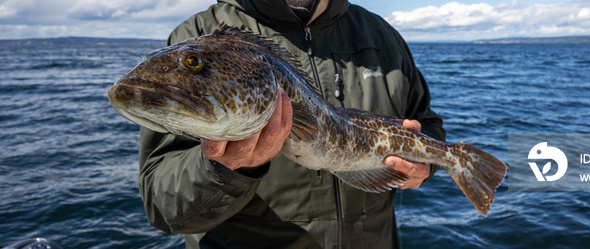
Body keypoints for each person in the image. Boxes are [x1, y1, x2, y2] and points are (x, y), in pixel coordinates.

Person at [137, 0, 446, 248]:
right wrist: (224, 170)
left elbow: (427, 125)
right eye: (193, 65)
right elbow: (163, 206)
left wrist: (425, 166)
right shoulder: (197, 34)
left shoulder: (381, 35)